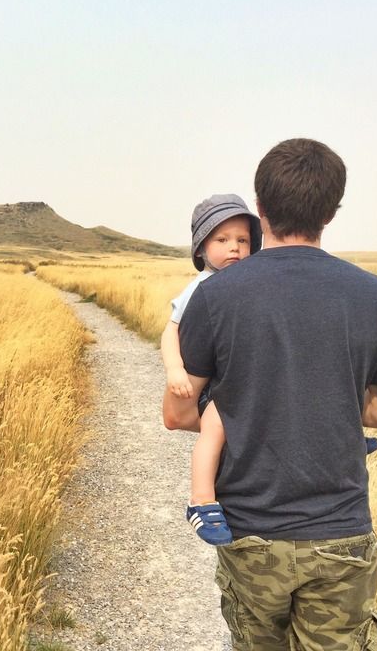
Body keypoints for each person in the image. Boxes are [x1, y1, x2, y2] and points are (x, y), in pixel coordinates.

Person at [162, 139, 377, 651]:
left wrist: (254, 405)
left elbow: (177, 412)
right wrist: (324, 398)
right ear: (332, 210)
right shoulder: (376, 296)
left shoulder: (214, 296)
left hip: (252, 531)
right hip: (342, 531)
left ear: (259, 208)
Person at [160, 194, 261, 546]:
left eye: (243, 240)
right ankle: (202, 501)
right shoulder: (201, 288)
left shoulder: (250, 283)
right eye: (222, 240)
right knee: (216, 426)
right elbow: (170, 330)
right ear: (201, 250)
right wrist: (175, 370)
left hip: (238, 375)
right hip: (210, 388)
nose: (234, 248)